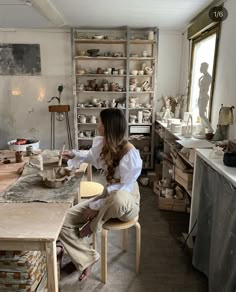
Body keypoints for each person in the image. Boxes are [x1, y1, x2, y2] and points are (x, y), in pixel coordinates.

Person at [58, 108, 142, 281]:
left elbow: (124, 189)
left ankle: (94, 224)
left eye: (100, 122)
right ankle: (87, 258)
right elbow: (91, 157)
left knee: (117, 199)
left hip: (127, 201)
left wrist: (96, 210)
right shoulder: (105, 144)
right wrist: (73, 154)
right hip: (107, 198)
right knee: (63, 221)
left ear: (108, 126)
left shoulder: (130, 153)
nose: (97, 125)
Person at [197, 62, 214, 136]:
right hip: (201, 96)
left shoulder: (208, 77)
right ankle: (202, 129)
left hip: (204, 97)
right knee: (201, 114)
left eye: (201, 66)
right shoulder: (203, 77)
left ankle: (210, 128)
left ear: (205, 67)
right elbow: (201, 87)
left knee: (202, 114)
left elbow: (204, 87)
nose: (200, 68)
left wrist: (200, 83)